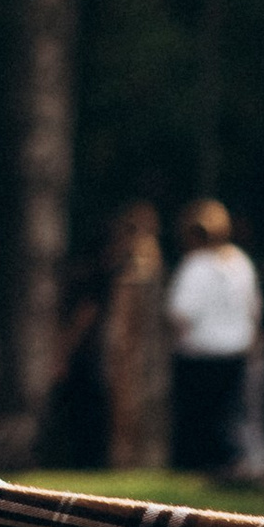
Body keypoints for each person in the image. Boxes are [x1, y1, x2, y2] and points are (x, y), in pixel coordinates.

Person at [165, 201, 261, 478]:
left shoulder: (195, 265)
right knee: (229, 419)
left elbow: (180, 313)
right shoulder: (240, 262)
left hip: (199, 354)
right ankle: (233, 467)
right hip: (235, 352)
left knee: (198, 421)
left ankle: (196, 471)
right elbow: (254, 309)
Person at [99, 200, 171, 470]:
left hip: (143, 353)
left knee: (145, 409)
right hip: (131, 353)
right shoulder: (123, 268)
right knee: (125, 412)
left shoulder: (150, 268)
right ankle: (125, 462)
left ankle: (145, 462)